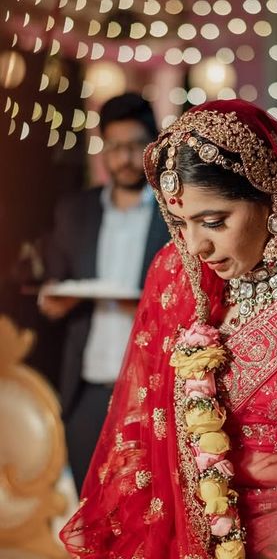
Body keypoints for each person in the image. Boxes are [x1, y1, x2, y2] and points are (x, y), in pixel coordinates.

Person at [60, 100, 277, 559]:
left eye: (214, 222)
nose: (197, 245)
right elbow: (144, 431)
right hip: (200, 540)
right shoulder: (178, 276)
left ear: (272, 198)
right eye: (181, 223)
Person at [39, 92, 169, 493]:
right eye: (114, 147)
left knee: (148, 508)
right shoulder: (76, 212)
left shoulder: (176, 212)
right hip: (88, 389)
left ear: (155, 145)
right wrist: (50, 301)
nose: (124, 158)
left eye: (135, 146)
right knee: (89, 502)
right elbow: (54, 285)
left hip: (152, 389)